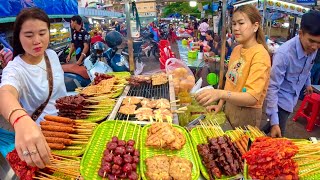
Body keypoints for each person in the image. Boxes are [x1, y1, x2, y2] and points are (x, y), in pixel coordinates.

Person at [0, 7, 67, 168]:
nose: (37, 40)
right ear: (19, 37)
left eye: (42, 33)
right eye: (29, 35)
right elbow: (5, 93)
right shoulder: (15, 69)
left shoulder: (51, 55)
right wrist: (20, 119)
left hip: (68, 126)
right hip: (44, 139)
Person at [195, 4, 271, 128]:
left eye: (241, 23)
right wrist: (220, 104)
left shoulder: (260, 55)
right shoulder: (237, 49)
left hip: (246, 114)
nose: (236, 28)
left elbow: (252, 97)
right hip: (229, 107)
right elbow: (230, 83)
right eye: (234, 24)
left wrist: (220, 94)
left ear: (255, 26)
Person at [263, 11, 320, 137]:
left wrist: (308, 83)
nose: (315, 47)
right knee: (278, 137)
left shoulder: (312, 48)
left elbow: (307, 68)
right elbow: (272, 88)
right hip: (280, 101)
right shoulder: (284, 55)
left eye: (319, 43)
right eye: (311, 41)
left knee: (268, 130)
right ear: (300, 34)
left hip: (292, 100)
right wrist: (274, 122)